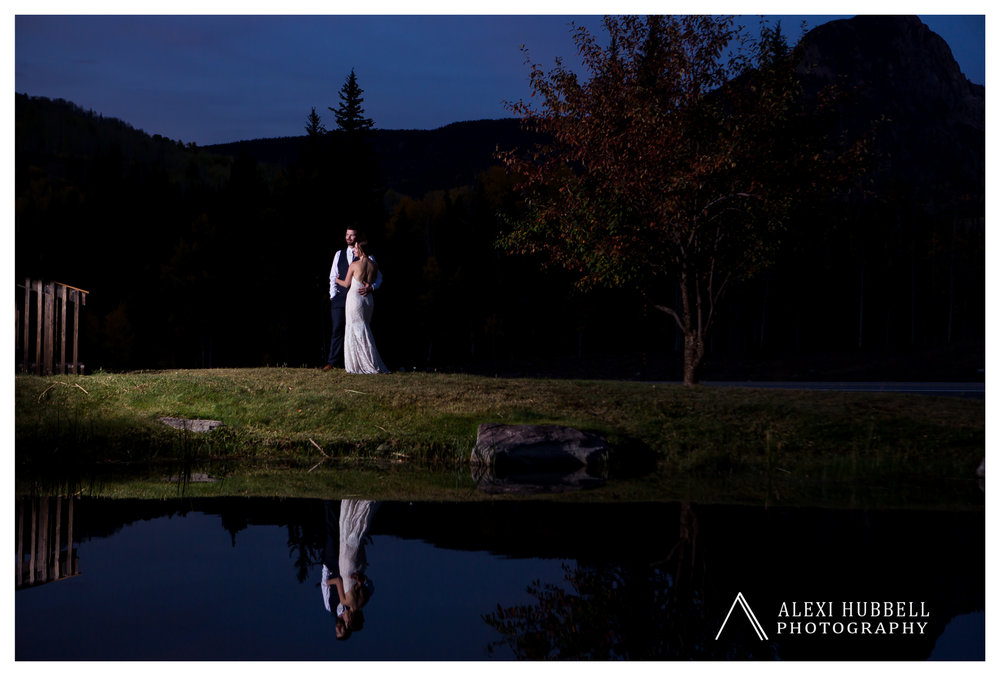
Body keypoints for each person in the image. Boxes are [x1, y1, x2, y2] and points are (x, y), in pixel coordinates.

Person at [324, 227, 382, 371]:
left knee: (358, 328)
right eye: (347, 235)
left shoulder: (369, 257)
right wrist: (333, 296)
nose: (349, 238)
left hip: (358, 298)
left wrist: (372, 287)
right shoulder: (339, 254)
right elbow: (333, 275)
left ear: (357, 238)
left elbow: (379, 277)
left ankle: (356, 362)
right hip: (340, 298)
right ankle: (332, 362)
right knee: (337, 329)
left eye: (352, 235)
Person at [335, 240, 390, 374]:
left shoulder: (354, 265)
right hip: (368, 299)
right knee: (365, 327)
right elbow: (374, 281)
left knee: (355, 328)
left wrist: (336, 280)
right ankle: (368, 360)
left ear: (361, 250)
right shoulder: (374, 266)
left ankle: (360, 363)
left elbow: (346, 283)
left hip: (355, 298)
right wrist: (370, 287)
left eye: (356, 248)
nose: (354, 250)